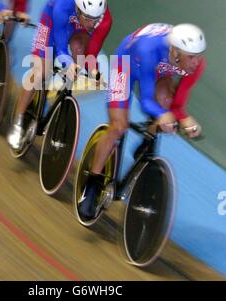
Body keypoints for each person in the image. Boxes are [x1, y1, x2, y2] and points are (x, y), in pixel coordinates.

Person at [78, 22, 207, 219]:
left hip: (158, 70)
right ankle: (92, 183)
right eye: (191, 57)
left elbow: (178, 106)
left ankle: (148, 137)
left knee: (165, 102)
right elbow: (146, 100)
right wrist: (163, 115)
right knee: (118, 127)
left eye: (199, 56)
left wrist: (185, 119)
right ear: (176, 52)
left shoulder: (195, 64)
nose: (196, 63)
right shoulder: (149, 49)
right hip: (127, 64)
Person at [7, 0, 113, 151]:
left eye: (96, 20)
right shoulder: (64, 4)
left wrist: (93, 70)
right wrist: (68, 64)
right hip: (52, 22)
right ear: (78, 10)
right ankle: (18, 121)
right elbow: (60, 45)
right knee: (41, 70)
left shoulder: (104, 20)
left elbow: (91, 52)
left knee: (79, 53)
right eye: (88, 19)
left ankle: (63, 96)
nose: (92, 24)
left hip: (76, 29)